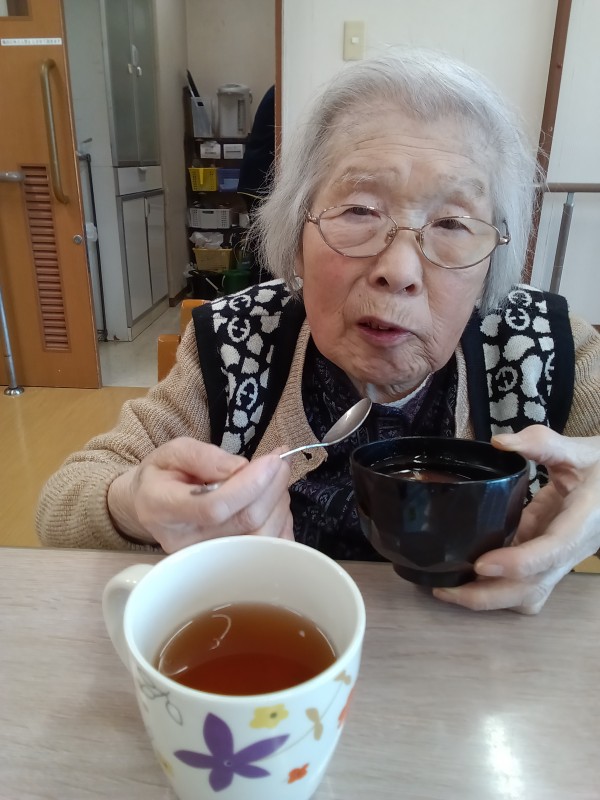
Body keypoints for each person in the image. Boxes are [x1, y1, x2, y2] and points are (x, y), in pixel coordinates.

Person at [37, 49, 600, 615]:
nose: (399, 270)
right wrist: (135, 503)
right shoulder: (237, 342)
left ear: (490, 263)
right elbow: (64, 501)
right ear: (297, 237)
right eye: (360, 210)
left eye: (452, 223)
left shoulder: (542, 348)